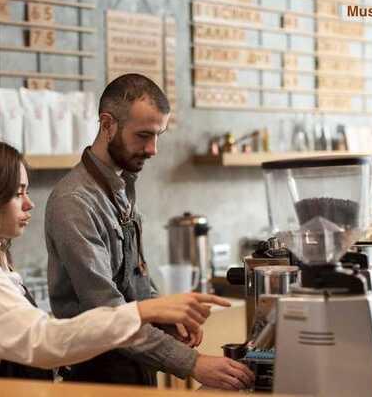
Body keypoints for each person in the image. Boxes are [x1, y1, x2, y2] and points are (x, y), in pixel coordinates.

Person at [0, 138, 230, 380]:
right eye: (18, 193)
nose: (29, 204)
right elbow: (44, 341)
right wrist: (143, 310)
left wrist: (154, 319)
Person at [45, 74, 254, 390]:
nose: (153, 149)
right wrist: (192, 363)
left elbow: (135, 282)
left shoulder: (122, 187)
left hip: (134, 367)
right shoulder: (74, 203)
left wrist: (167, 319)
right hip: (95, 378)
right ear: (107, 124)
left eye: (158, 135)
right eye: (143, 135)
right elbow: (109, 316)